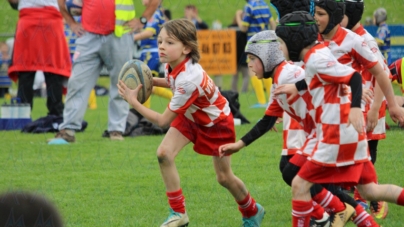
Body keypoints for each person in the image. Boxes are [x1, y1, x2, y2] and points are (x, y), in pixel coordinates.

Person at [118, 19, 265, 227]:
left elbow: (162, 121)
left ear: (186, 48)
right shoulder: (173, 64)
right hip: (192, 116)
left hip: (216, 123)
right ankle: (178, 214)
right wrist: (146, 81)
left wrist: (134, 101)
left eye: (169, 42)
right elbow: (170, 82)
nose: (161, 46)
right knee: (164, 153)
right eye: (160, 41)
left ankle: (251, 210)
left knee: (224, 177)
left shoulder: (189, 79)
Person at [274, 11, 404, 227]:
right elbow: (323, 78)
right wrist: (297, 88)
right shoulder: (315, 56)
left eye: (281, 43)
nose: (280, 48)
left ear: (294, 41)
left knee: (299, 184)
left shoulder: (316, 58)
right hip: (346, 134)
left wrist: (354, 108)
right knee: (370, 190)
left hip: (336, 134)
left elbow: (352, 76)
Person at [219, 30, 357, 227]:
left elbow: (321, 79)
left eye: (252, 58)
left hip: (333, 128)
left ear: (267, 57)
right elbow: (267, 121)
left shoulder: (289, 73)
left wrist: (353, 97)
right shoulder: (278, 82)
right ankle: (344, 214)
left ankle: (330, 213)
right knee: (296, 174)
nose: (249, 64)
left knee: (298, 174)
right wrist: (239, 145)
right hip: (321, 132)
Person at [49, 0, 160, 142]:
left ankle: (116, 130)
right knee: (77, 82)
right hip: (88, 36)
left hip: (120, 35)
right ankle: (68, 131)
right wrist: (71, 23)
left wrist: (142, 20)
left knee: (121, 84)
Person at [341, 0, 390, 219]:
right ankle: (357, 194)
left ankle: (373, 196)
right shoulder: (343, 38)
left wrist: (375, 108)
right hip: (355, 106)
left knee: (368, 153)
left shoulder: (365, 40)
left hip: (371, 107)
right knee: (354, 152)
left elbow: (384, 74)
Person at [7, 0, 72, 117]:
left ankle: (23, 114)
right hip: (51, 22)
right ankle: (56, 114)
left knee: (25, 69)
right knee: (54, 70)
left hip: (27, 20)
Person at [236, 0, 276, 108]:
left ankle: (262, 101)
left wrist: (238, 17)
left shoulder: (249, 6)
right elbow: (272, 24)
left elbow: (243, 28)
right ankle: (271, 99)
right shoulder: (264, 4)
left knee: (252, 71)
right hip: (266, 42)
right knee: (266, 70)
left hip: (254, 42)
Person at [134, 0, 172, 109]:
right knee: (148, 83)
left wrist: (130, 38)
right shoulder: (154, 13)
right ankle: (174, 98)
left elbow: (149, 33)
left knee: (144, 83)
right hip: (148, 52)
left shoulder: (154, 13)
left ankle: (144, 113)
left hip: (151, 52)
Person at [228, 15, 249, 93]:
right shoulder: (233, 28)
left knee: (242, 76)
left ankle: (237, 91)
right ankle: (241, 91)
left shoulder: (232, 28)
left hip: (238, 56)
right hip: (239, 56)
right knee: (242, 76)